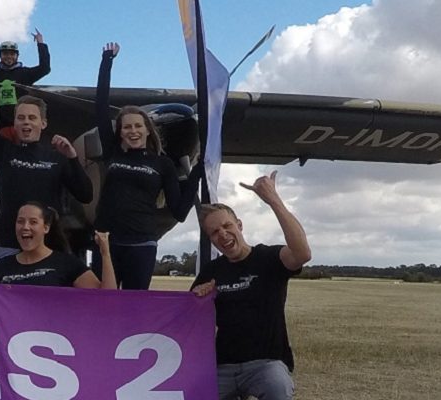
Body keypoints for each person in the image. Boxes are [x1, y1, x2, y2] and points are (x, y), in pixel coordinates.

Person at [190, 171, 312, 400]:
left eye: (227, 226)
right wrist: (198, 298)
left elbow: (302, 253)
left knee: (278, 388)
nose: (223, 234)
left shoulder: (268, 258)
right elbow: (190, 318)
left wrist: (273, 200)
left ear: (240, 225)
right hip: (222, 366)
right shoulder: (211, 271)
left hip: (266, 364)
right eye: (214, 232)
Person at [92, 42, 203, 290]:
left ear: (147, 130)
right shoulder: (112, 152)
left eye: (137, 126)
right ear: (120, 132)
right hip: (106, 242)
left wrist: (196, 172)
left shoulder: (162, 164)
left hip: (142, 244)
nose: (132, 131)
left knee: (135, 306)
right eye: (127, 127)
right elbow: (100, 107)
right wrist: (107, 61)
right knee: (100, 304)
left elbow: (179, 212)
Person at [0, 90, 94, 260]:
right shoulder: (3, 151)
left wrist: (73, 158)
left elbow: (86, 195)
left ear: (43, 123)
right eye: (21, 118)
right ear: (15, 123)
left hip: (50, 249)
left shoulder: (56, 158)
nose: (26, 123)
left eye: (32, 118)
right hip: (11, 247)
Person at [0, 203, 115, 289]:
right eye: (20, 221)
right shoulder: (2, 266)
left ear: (46, 228)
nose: (25, 227)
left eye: (33, 222)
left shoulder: (66, 264)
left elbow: (106, 299)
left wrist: (106, 254)